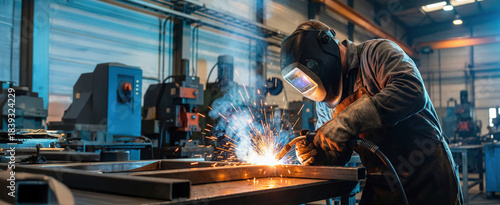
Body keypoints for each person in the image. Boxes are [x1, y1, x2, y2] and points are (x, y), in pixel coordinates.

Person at [280, 20, 463, 204]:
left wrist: (346, 121)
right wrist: (320, 156)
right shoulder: (324, 103)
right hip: (383, 183)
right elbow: (339, 152)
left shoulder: (377, 53)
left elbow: (412, 90)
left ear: (326, 46)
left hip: (428, 176)